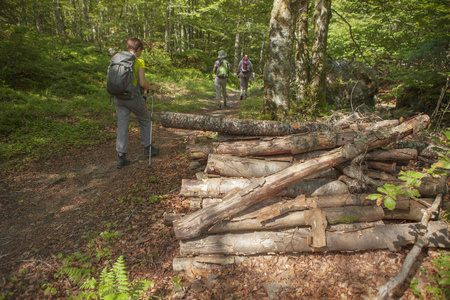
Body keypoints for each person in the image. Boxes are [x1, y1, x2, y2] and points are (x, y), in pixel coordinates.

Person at [115, 37, 159, 169]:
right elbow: (142, 83)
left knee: (122, 125)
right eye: (141, 50)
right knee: (145, 119)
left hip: (119, 96)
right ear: (138, 49)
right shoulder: (139, 61)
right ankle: (148, 148)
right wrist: (152, 87)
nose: (141, 52)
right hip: (133, 97)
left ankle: (121, 157)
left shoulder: (118, 59)